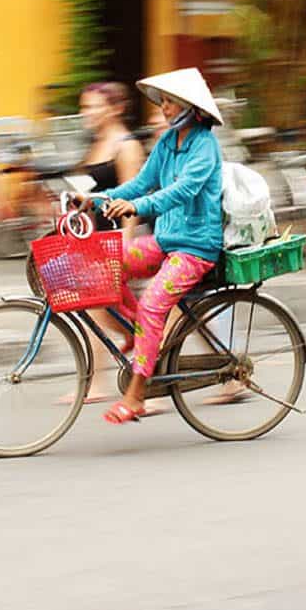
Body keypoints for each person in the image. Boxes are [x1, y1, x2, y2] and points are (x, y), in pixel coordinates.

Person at [79, 67, 224, 425]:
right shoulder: (166, 143)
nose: (164, 108)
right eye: (164, 102)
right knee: (110, 265)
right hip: (166, 241)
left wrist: (138, 207)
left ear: (192, 107)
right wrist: (96, 199)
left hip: (195, 248)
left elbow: (184, 190)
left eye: (172, 103)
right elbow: (141, 183)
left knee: (153, 306)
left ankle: (136, 396)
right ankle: (136, 336)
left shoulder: (204, 145)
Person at [77, 82, 145, 401]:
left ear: (115, 108)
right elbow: (95, 195)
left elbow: (131, 202)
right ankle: (96, 383)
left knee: (160, 312)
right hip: (98, 239)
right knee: (96, 309)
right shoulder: (96, 144)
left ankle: (139, 350)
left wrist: (126, 245)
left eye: (92, 107)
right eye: (84, 107)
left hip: (120, 239)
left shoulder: (126, 146)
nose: (86, 113)